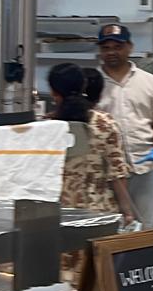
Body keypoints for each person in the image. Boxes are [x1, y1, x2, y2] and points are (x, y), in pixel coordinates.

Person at [95, 23, 153, 230]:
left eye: (117, 47)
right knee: (109, 224)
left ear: (129, 47)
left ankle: (146, 263)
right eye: (106, 48)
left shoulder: (150, 81)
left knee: (145, 224)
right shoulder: (92, 84)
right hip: (106, 169)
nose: (111, 52)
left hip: (145, 165)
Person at [48, 64, 135, 225]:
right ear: (83, 86)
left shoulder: (48, 128)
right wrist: (127, 212)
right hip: (100, 212)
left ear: (54, 93)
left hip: (60, 213)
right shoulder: (105, 124)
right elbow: (117, 175)